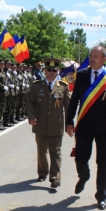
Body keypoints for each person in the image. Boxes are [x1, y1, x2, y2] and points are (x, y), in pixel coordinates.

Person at [66, 46, 106, 210]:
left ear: (104, 58)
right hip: (84, 124)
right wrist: (69, 121)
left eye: (95, 56)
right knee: (80, 158)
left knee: (103, 162)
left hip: (104, 126)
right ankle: (84, 176)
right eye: (90, 56)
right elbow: (74, 100)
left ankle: (101, 196)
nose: (92, 58)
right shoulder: (83, 75)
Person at [26, 57, 71, 188]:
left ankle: (55, 177)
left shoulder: (63, 87)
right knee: (41, 150)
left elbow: (68, 107)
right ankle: (42, 172)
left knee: (55, 151)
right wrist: (31, 116)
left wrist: (69, 124)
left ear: (58, 71)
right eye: (49, 69)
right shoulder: (36, 86)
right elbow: (30, 102)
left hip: (56, 125)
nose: (51, 72)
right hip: (40, 124)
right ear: (44, 70)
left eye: (54, 70)